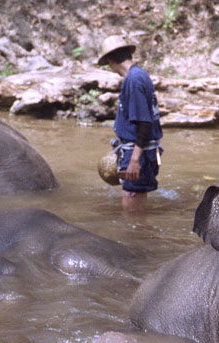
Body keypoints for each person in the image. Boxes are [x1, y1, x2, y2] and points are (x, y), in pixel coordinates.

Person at [99, 35, 162, 213]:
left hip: (138, 153)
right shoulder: (140, 75)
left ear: (111, 61)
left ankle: (136, 240)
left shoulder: (133, 81)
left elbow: (144, 122)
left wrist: (134, 160)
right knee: (137, 206)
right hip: (143, 152)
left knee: (131, 213)